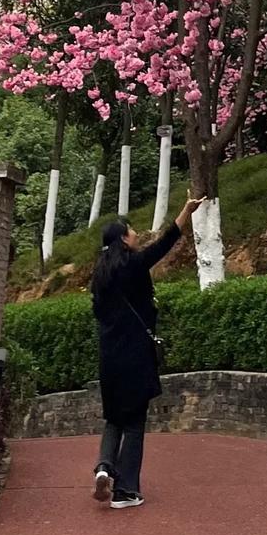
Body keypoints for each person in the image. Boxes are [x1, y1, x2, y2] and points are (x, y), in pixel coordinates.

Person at [91, 191, 205, 508]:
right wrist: (186, 210)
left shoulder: (99, 275)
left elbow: (98, 315)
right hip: (135, 356)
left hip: (109, 358)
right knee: (135, 422)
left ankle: (103, 467)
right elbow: (165, 244)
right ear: (123, 239)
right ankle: (125, 490)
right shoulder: (134, 265)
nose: (136, 233)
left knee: (114, 418)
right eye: (131, 230)